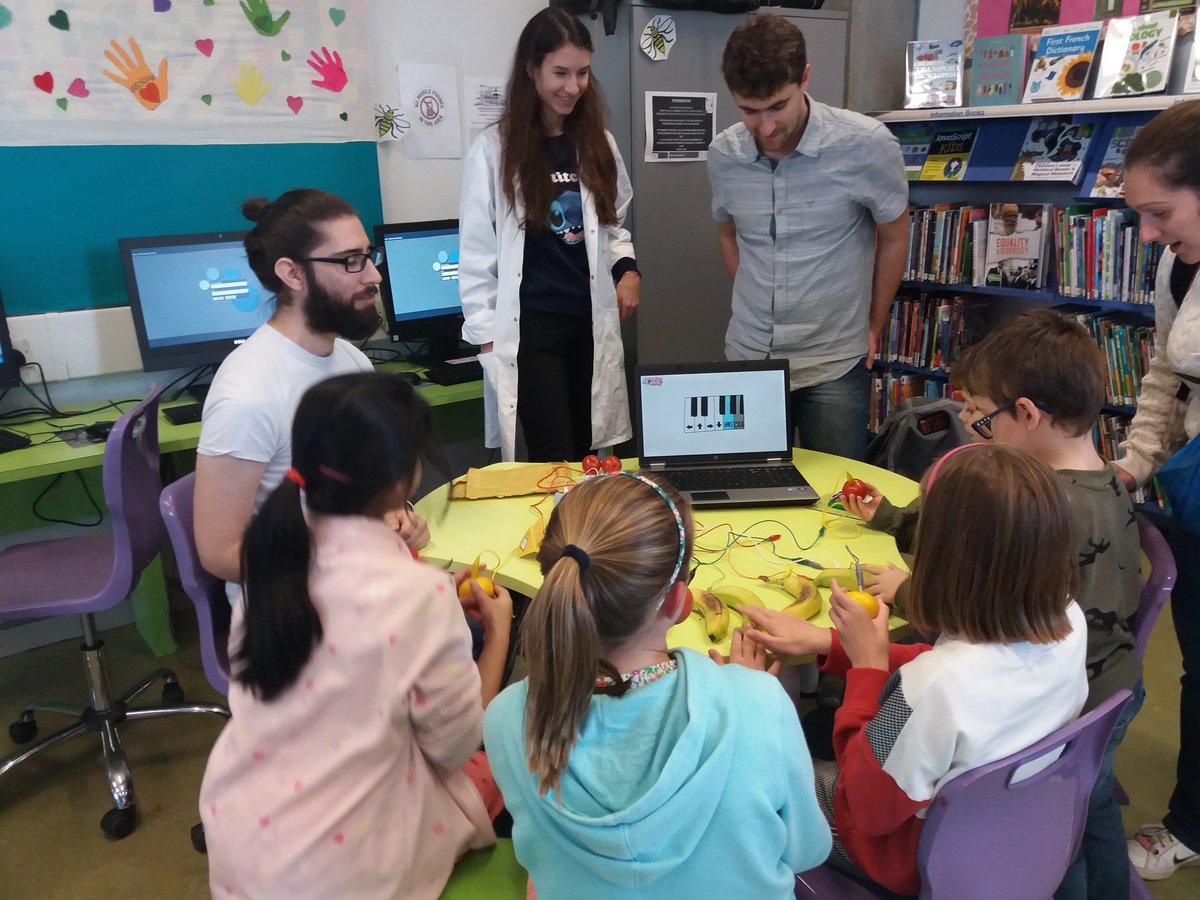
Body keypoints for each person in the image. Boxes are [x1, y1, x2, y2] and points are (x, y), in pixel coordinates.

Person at [844, 310, 1145, 897]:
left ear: (1027, 413)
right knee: (1082, 807)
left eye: (983, 419)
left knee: (1071, 826)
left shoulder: (1038, 512)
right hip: (1096, 688)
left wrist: (884, 635)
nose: (975, 430)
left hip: (1063, 700)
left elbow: (980, 606)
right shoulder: (1103, 479)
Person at [200, 372, 513, 899]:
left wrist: (433, 601)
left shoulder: (274, 564)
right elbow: (455, 745)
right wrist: (498, 633)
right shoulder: (416, 597)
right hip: (346, 870)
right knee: (510, 763)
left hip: (241, 845)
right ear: (401, 482)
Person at [742, 443, 1089, 895]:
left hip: (901, 853)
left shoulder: (934, 688)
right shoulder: (1068, 617)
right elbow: (953, 670)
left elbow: (860, 807)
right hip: (1002, 827)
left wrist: (867, 669)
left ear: (944, 563)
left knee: (756, 767)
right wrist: (831, 643)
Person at [483, 472, 831, 898]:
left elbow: (537, 858)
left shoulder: (504, 718)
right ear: (678, 601)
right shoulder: (758, 702)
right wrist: (746, 693)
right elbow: (806, 850)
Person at [194, 189, 428, 601]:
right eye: (350, 261)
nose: (373, 275)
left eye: (369, 256)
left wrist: (398, 514)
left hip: (367, 585)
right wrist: (345, 551)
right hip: (294, 618)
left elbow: (383, 480)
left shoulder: (350, 360)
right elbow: (220, 554)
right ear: (293, 274)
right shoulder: (247, 395)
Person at [707, 14, 908, 460]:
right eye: (748, 110)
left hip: (832, 361)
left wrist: (873, 324)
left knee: (840, 500)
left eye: (777, 105)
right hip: (748, 358)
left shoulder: (867, 144)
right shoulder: (724, 154)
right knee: (747, 489)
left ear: (805, 78)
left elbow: (894, 237)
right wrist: (753, 298)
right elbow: (728, 233)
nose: (765, 127)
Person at [459, 7, 640, 463]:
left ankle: (586, 535)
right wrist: (485, 337)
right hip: (532, 330)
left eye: (582, 72)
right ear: (530, 68)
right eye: (560, 72)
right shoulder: (494, 150)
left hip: (590, 322)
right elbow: (476, 250)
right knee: (553, 458)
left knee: (589, 454)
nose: (573, 86)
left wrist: (628, 269)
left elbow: (613, 221)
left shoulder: (598, 142)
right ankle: (558, 536)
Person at [1114, 99, 1200, 882]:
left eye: (1160, 212)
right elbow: (1164, 375)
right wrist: (1134, 462)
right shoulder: (1181, 263)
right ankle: (1191, 821)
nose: (1149, 234)